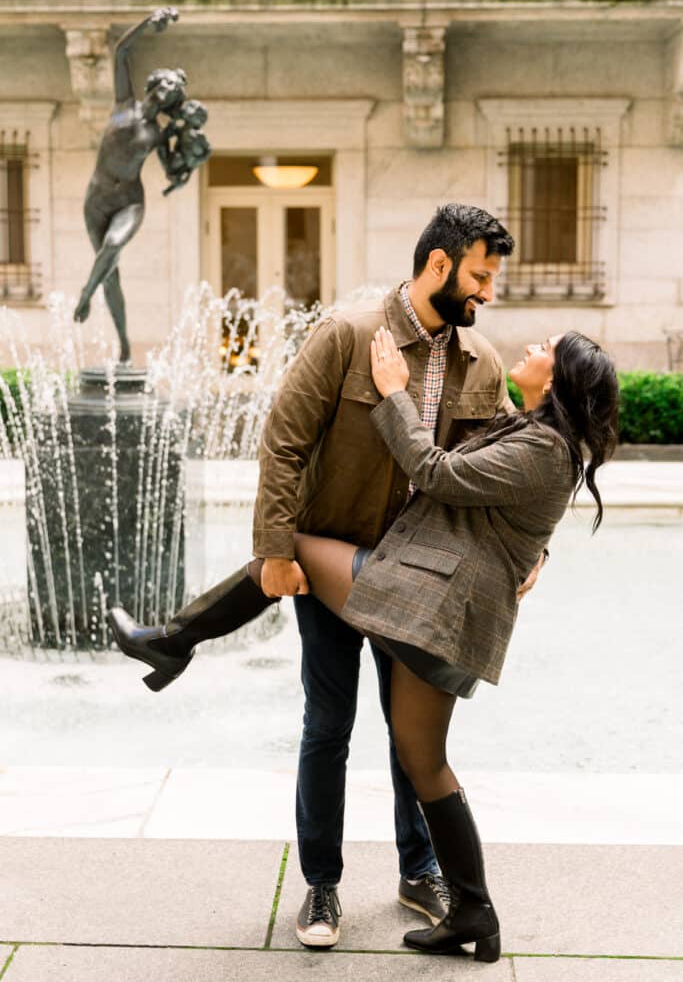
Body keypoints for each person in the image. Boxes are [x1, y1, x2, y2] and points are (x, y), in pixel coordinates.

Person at [109, 324, 620, 962]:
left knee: (290, 548)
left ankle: (174, 639)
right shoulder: (540, 433)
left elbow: (437, 473)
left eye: (548, 348)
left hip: (427, 603)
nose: (533, 348)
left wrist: (393, 394)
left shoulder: (545, 445)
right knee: (424, 761)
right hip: (442, 610)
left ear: (561, 379)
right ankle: (475, 915)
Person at [73, 8, 209, 362]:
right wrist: (149, 23)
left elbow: (172, 170)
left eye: (174, 91)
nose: (167, 91)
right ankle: (124, 347)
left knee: (112, 246)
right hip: (97, 198)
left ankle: (85, 295)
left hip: (130, 202)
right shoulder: (123, 104)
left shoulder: (159, 133)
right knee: (112, 275)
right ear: (153, 84)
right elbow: (121, 51)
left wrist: (191, 161)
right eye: (165, 83)